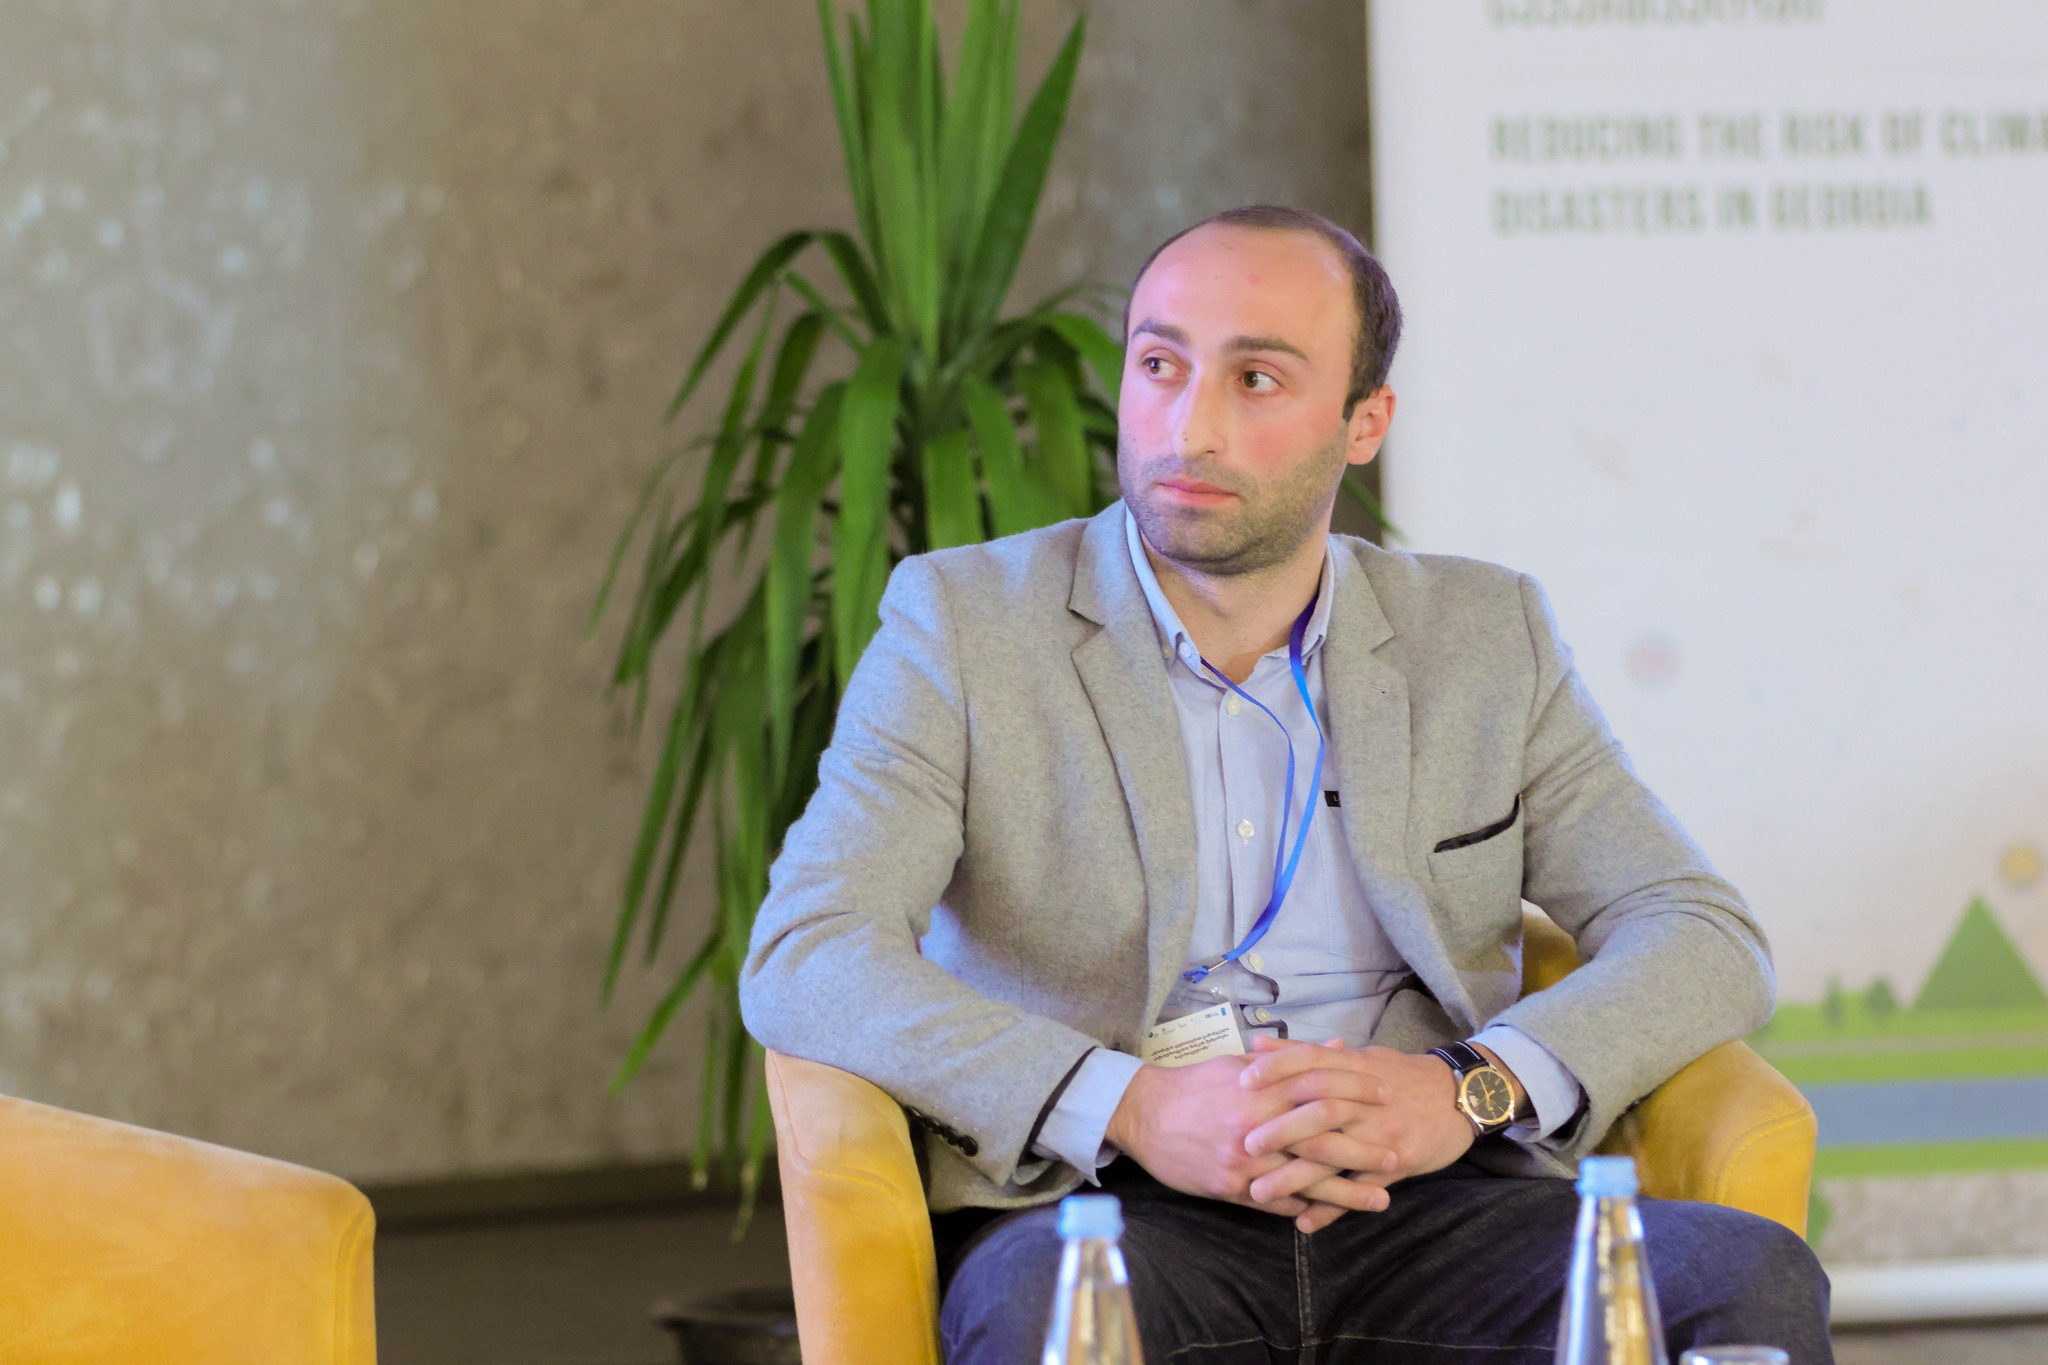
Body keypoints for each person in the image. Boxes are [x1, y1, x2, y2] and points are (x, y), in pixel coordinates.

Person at [739, 204, 1831, 1364]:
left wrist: (1464, 1090)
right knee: (1042, 1321)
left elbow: (1698, 929)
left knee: (1742, 1280)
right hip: (1103, 1205)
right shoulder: (965, 625)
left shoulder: (1479, 635)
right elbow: (810, 947)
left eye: (1255, 379)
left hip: (1437, 1201)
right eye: (1159, 366)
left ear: (1364, 422)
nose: (1190, 425)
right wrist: (1129, 1105)